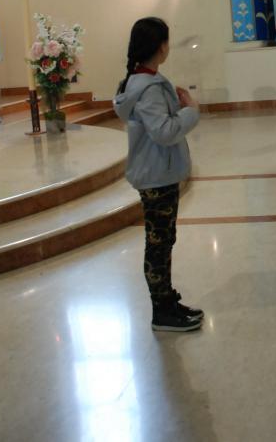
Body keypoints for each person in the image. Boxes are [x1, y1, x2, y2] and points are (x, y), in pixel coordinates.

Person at [113, 17, 203, 332]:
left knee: (163, 240)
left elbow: (158, 124)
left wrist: (178, 108)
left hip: (157, 171)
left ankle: (166, 300)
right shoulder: (147, 87)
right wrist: (191, 111)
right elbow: (163, 132)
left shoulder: (143, 80)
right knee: (158, 243)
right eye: (166, 41)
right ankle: (161, 312)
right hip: (156, 174)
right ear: (160, 46)